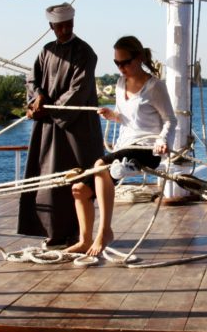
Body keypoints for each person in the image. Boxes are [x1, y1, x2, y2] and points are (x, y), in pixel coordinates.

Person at [68, 36, 176, 256]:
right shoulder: (119, 84)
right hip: (123, 147)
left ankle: (105, 231)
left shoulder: (154, 86)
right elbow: (127, 118)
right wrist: (113, 115)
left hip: (147, 148)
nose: (121, 68)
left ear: (138, 58)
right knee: (79, 189)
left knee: (100, 165)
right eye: (117, 63)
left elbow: (170, 120)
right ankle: (85, 240)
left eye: (125, 62)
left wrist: (162, 140)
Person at [17, 3, 104, 247]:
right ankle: (52, 233)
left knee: (76, 182)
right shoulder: (46, 51)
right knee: (47, 181)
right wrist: (38, 98)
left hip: (76, 130)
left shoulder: (86, 53)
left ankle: (75, 234)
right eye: (60, 26)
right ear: (51, 27)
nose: (65, 29)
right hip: (48, 129)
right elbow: (32, 79)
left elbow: (80, 89)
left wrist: (48, 108)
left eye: (69, 25)